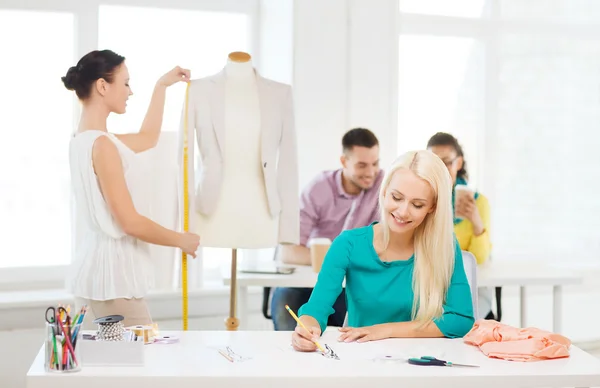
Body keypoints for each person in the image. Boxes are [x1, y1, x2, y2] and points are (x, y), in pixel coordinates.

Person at [63, 49, 200, 328]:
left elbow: (148, 138)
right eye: (125, 83)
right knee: (139, 365)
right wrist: (180, 240)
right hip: (114, 281)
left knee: (103, 367)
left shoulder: (83, 141)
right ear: (103, 86)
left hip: (95, 275)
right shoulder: (103, 146)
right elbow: (130, 222)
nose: (130, 91)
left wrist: (161, 86)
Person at [291, 150, 474, 351]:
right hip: (364, 359)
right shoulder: (348, 244)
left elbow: (461, 319)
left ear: (432, 207)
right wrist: (307, 328)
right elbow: (317, 308)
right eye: (397, 197)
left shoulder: (444, 247)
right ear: (385, 191)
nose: (403, 212)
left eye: (417, 204)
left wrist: (385, 330)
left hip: (423, 361)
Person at [271, 128, 384, 331]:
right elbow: (288, 251)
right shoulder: (319, 188)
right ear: (343, 162)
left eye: (375, 164)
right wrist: (338, 261)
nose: (370, 172)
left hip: (353, 286)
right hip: (310, 284)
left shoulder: (384, 187)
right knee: (284, 301)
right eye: (362, 165)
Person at [426, 132, 493, 319]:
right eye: (434, 162)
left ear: (459, 163)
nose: (440, 169)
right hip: (434, 286)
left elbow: (478, 258)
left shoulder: (479, 203)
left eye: (446, 162)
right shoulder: (422, 200)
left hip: (471, 287)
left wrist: (476, 221)